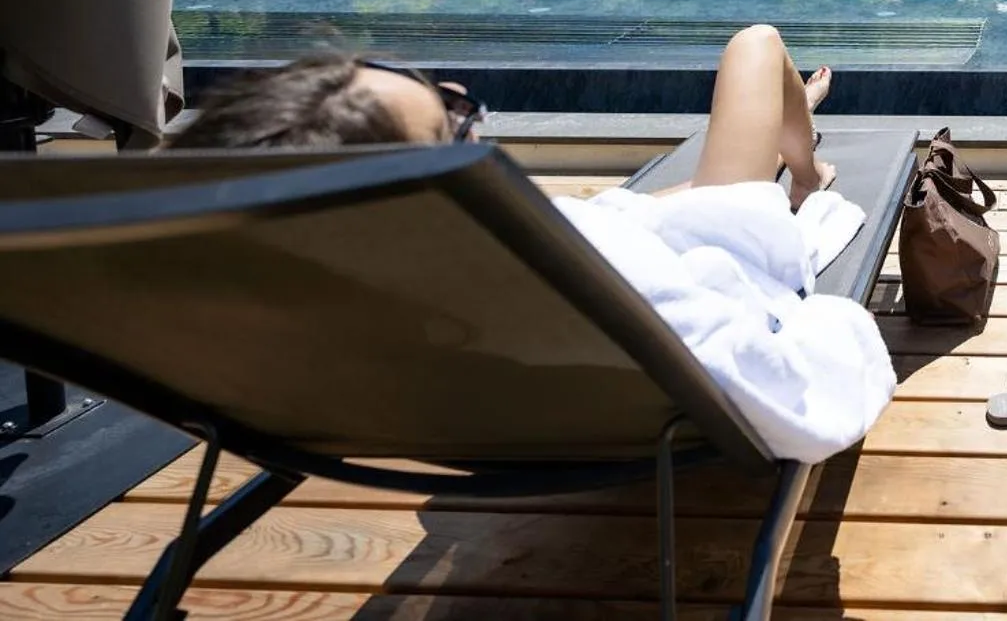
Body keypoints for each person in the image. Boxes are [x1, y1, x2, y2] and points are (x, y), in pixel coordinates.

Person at [168, 24, 894, 464]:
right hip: (709, 269)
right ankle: (807, 167)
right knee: (756, 45)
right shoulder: (601, 282)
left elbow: (599, 229)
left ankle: (786, 140)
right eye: (453, 118)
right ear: (428, 201)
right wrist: (824, 316)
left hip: (579, 287)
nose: (458, 91)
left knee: (629, 202)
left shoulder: (338, 314)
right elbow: (796, 393)